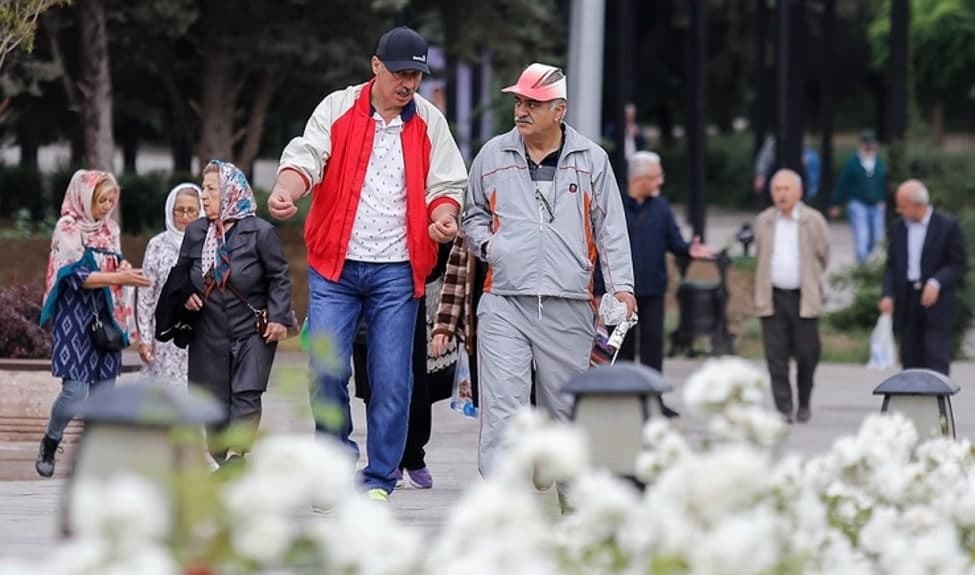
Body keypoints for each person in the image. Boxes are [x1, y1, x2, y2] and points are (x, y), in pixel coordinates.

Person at [267, 25, 467, 501]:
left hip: (398, 270)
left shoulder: (429, 122)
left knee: (393, 378)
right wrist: (286, 189)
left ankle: (380, 475)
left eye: (416, 76)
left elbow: (446, 185)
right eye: (400, 73)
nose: (408, 84)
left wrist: (443, 217)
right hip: (335, 267)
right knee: (327, 370)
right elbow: (308, 154)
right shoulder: (337, 107)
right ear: (375, 66)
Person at [462, 62, 636, 476]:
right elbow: (473, 216)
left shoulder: (592, 160)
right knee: (503, 410)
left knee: (567, 411)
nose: (521, 110)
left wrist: (622, 287)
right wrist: (493, 246)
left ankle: (574, 504)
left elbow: (610, 227)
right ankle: (503, 505)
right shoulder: (492, 155)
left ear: (560, 110)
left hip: (570, 304)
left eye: (533, 104)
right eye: (519, 101)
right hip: (503, 300)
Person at [36, 170, 150, 477]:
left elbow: (113, 262)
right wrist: (118, 277)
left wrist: (124, 269)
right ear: (86, 198)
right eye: (102, 200)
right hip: (74, 316)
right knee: (74, 392)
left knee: (102, 394)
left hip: (105, 314)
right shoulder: (68, 227)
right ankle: (51, 440)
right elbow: (72, 276)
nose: (107, 206)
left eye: (112, 200)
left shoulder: (110, 228)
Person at [180, 160, 293, 464]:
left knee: (246, 393)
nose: (204, 196)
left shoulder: (260, 231)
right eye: (203, 188)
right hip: (209, 332)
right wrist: (186, 296)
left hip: (251, 329)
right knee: (213, 404)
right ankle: (225, 456)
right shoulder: (195, 232)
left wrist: (280, 317)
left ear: (231, 191)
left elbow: (278, 276)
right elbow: (180, 277)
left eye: (212, 189)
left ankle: (236, 455)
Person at [595, 151, 712, 382]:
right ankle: (622, 399)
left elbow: (675, 242)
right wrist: (599, 291)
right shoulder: (612, 204)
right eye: (656, 176)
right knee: (621, 349)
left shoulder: (661, 208)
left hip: (653, 291)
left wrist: (689, 250)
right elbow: (600, 249)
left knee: (653, 347)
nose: (661, 182)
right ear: (640, 179)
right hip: (619, 294)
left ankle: (654, 399)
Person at [352, 242, 456, 489]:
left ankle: (413, 454)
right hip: (360, 292)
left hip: (410, 291)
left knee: (412, 380)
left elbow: (445, 251)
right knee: (374, 386)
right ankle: (387, 460)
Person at [753, 169, 830, 424]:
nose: (782, 194)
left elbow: (823, 255)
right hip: (773, 295)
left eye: (787, 189)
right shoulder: (764, 220)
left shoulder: (813, 220)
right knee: (776, 354)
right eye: (777, 189)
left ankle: (804, 401)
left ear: (799, 192)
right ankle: (784, 406)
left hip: (803, 297)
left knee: (808, 353)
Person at [879, 180, 967, 375]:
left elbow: (957, 263)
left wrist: (937, 282)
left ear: (917, 205)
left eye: (902, 206)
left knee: (936, 354)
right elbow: (892, 265)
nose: (899, 211)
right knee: (910, 355)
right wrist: (887, 294)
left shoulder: (947, 226)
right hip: (908, 296)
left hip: (936, 300)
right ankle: (912, 401)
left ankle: (937, 402)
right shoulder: (898, 228)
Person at [136, 183, 203, 384]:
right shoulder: (157, 245)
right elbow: (146, 297)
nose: (184, 216)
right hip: (166, 334)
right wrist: (145, 338)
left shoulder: (209, 244)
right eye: (179, 210)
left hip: (201, 333)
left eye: (191, 211)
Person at [830, 130, 887, 264]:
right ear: (861, 146)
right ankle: (862, 264)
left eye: (871, 145)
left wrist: (883, 199)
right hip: (858, 204)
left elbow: (884, 183)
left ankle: (866, 258)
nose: (868, 148)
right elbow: (842, 184)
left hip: (877, 205)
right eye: (866, 145)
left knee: (876, 237)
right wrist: (836, 203)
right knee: (862, 235)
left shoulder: (879, 163)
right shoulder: (852, 163)